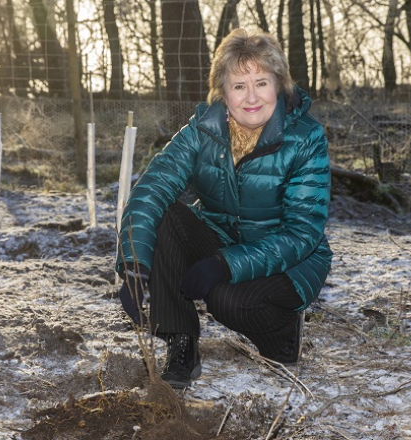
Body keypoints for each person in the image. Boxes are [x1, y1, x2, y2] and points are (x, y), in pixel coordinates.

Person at [116, 28, 332, 389]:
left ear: (279, 85)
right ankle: (181, 344)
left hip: (292, 260)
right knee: (168, 214)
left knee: (227, 298)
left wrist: (224, 264)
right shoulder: (203, 130)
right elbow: (153, 186)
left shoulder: (306, 138)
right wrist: (135, 264)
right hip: (222, 238)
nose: (251, 97)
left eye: (261, 82)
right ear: (223, 92)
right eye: (238, 85)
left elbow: (302, 233)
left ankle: (281, 334)